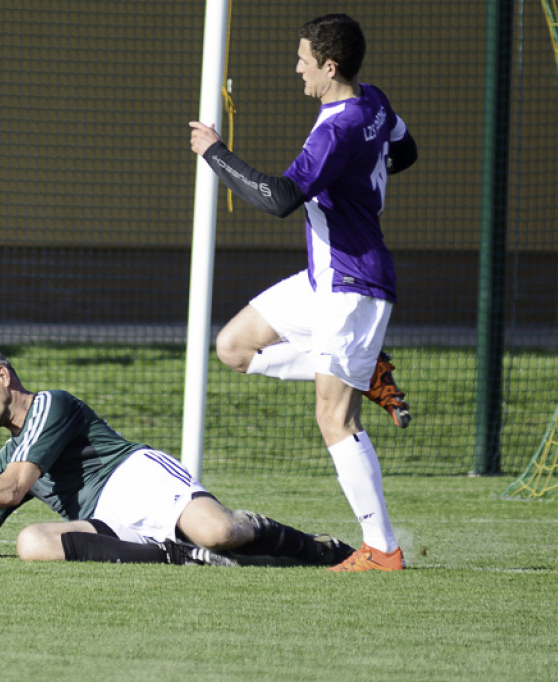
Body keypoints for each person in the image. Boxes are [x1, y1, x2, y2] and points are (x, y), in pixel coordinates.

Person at [188, 13, 417, 571]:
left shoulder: (335, 129)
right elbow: (405, 152)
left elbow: (280, 198)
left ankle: (382, 549)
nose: (297, 68)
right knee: (234, 348)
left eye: (303, 60)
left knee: (333, 418)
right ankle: (369, 375)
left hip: (353, 285)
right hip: (323, 280)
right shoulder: (375, 102)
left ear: (329, 67)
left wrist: (215, 152)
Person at [0, 347, 355, 568]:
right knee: (31, 543)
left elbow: (14, 487)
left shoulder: (52, 404)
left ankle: (321, 549)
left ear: (3, 376)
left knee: (222, 531)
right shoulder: (7, 458)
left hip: (139, 480)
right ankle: (177, 555)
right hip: (105, 522)